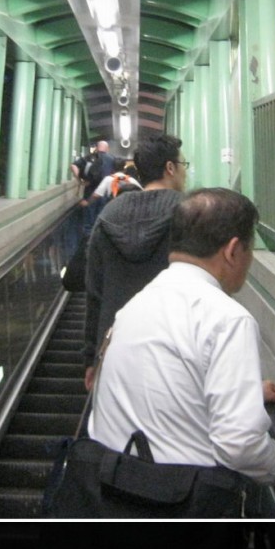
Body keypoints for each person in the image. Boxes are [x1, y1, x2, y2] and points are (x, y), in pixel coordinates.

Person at [87, 188, 275, 510]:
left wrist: (243, 393)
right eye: (250, 249)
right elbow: (239, 445)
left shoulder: (136, 304)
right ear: (233, 250)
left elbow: (166, 381)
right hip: (177, 508)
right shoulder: (227, 319)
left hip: (110, 494)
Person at [83, 134, 187, 389]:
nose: (186, 173)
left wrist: (91, 358)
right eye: (184, 165)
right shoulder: (191, 214)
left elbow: (94, 293)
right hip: (177, 355)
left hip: (115, 350)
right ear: (170, 168)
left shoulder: (108, 215)